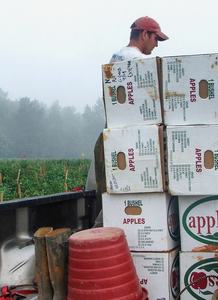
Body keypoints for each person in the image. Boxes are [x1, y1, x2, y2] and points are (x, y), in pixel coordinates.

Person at [88, 16, 169, 227]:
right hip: (133, 140)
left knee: (111, 195)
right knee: (123, 198)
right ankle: (99, 237)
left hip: (112, 136)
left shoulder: (116, 57)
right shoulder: (138, 61)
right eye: (155, 38)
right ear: (144, 34)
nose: (157, 44)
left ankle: (98, 235)